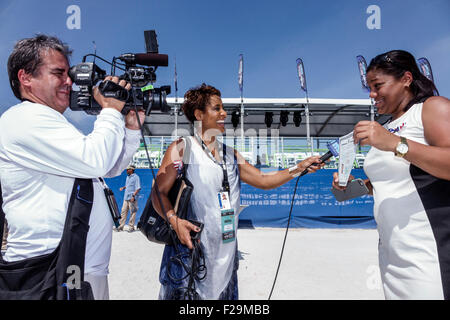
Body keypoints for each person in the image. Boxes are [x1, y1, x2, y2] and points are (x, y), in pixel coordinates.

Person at [0, 34, 145, 299]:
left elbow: (105, 169)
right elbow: (95, 160)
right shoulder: (25, 118)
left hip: (78, 271)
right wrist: (111, 110)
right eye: (59, 73)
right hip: (48, 274)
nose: (70, 82)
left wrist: (132, 130)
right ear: (26, 78)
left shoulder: (50, 122)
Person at [152, 83, 324, 300]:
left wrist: (298, 168)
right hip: (190, 254)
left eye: (223, 108)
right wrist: (174, 221)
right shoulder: (183, 147)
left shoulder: (230, 154)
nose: (224, 113)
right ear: (199, 114)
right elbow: (158, 193)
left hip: (225, 256)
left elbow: (263, 180)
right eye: (217, 108)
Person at [332, 50, 450, 300]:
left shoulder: (431, 108)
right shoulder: (385, 129)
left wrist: (397, 144)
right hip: (392, 253)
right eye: (369, 89)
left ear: (406, 79)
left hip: (429, 250)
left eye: (378, 86)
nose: (372, 95)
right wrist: (349, 187)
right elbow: (386, 184)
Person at [117, 165, 141, 232]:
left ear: (132, 170)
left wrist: (133, 196)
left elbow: (138, 188)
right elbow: (128, 186)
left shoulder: (136, 177)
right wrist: (123, 188)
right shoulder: (128, 177)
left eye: (128, 169)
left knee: (132, 212)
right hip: (126, 197)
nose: (126, 170)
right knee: (123, 212)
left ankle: (131, 227)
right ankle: (121, 226)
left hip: (132, 198)